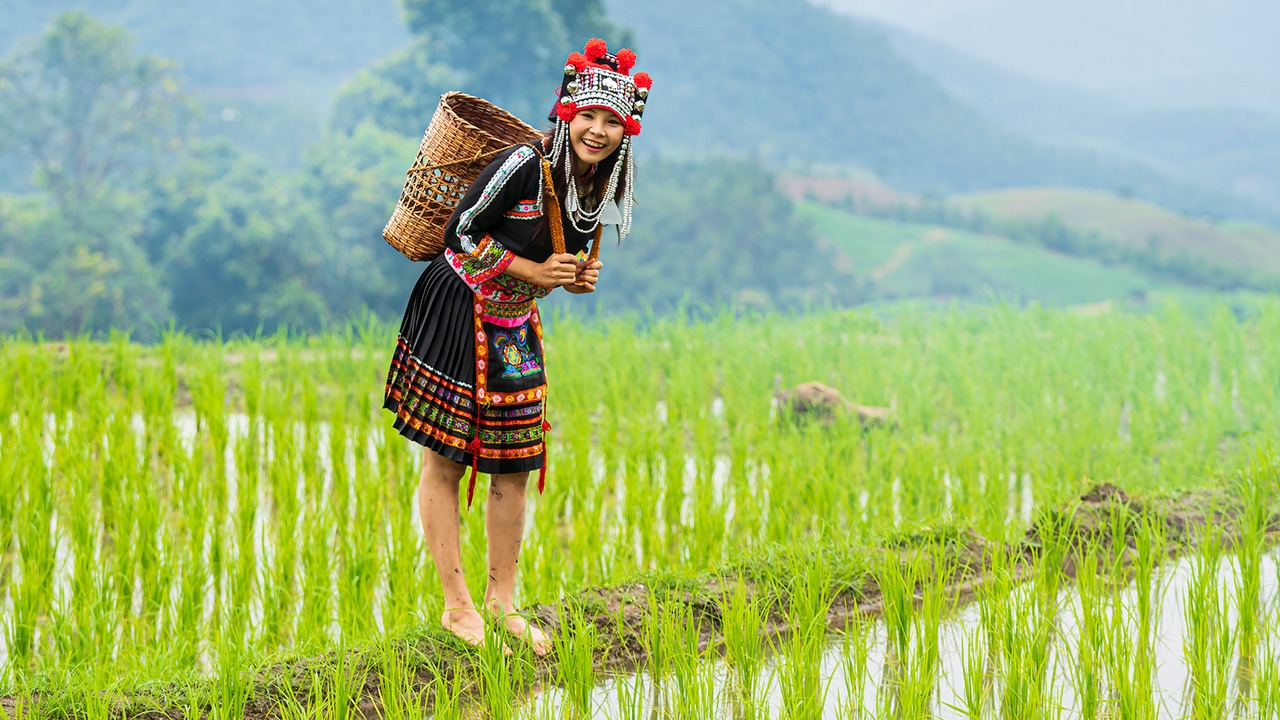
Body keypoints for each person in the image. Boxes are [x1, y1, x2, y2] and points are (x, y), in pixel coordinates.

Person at [382, 38, 651, 655]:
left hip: (515, 322)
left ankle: (502, 603)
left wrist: (571, 279)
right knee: (447, 460)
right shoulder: (523, 164)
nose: (598, 131)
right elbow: (461, 234)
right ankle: (458, 608)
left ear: (626, 131)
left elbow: (556, 260)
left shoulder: (598, 187)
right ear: (566, 113)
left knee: (516, 462)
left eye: (612, 121)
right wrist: (534, 273)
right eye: (588, 116)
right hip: (457, 305)